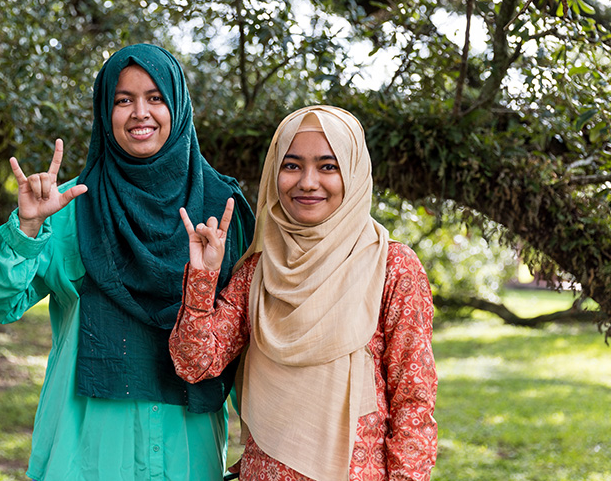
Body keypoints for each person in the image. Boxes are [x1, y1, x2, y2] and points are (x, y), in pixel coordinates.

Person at [0, 43, 255, 481]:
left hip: (187, 456)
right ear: (106, 111)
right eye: (124, 100)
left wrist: (259, 447)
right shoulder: (71, 207)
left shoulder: (222, 209)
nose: (141, 112)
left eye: (155, 97)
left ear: (178, 105)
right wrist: (25, 229)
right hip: (85, 453)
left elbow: (245, 338)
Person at [170, 105, 437, 481]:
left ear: (354, 172)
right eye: (292, 165)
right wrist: (203, 275)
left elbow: (414, 399)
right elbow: (194, 364)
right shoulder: (258, 271)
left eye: (328, 166)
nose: (307, 182)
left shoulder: (392, 267)